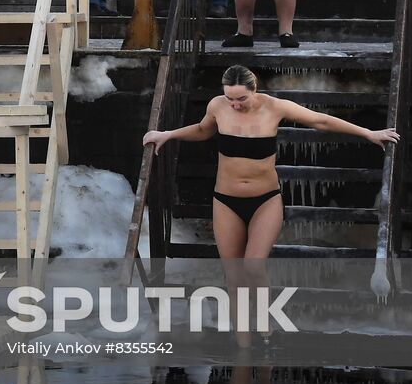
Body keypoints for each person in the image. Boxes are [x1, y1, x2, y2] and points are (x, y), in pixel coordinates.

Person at [142, 65, 397, 339]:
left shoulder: (275, 107)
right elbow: (203, 130)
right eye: (230, 98)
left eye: (241, 99)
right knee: (234, 275)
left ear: (255, 90)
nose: (235, 105)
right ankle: (242, 342)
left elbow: (321, 121)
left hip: (265, 200)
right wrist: (167, 134)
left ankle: (265, 329)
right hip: (226, 201)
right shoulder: (217, 106)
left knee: (252, 265)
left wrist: (369, 133)